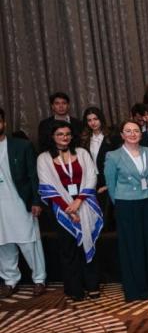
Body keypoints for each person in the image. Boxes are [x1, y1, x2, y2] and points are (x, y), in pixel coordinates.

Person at [104, 121, 148, 301]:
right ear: (122, 134)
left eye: (136, 131)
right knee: (133, 246)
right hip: (126, 204)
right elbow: (111, 185)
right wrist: (119, 203)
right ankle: (138, 289)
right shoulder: (113, 156)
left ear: (141, 134)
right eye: (128, 131)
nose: (132, 134)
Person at [36, 121, 101, 300]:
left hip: (85, 205)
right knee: (68, 249)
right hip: (62, 210)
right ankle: (75, 288)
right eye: (60, 134)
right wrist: (68, 209)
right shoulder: (43, 158)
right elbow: (47, 186)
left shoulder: (82, 153)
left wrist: (78, 201)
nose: (64, 137)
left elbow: (91, 178)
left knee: (89, 243)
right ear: (52, 136)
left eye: (67, 134)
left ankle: (92, 284)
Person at [0, 108, 48, 298]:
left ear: (4, 123)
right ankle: (10, 280)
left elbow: (33, 176)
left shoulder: (22, 146)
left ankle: (39, 279)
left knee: (29, 242)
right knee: (2, 244)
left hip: (19, 202)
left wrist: (36, 201)